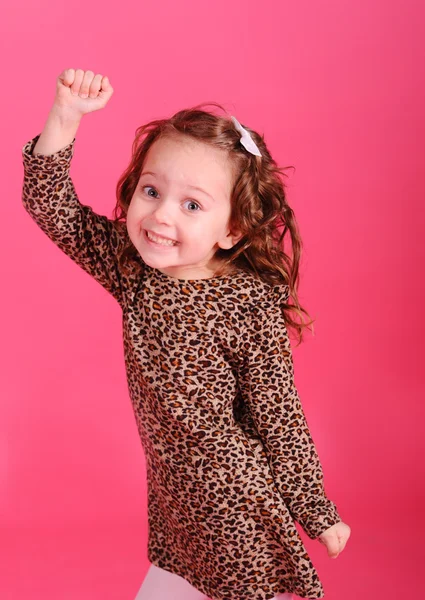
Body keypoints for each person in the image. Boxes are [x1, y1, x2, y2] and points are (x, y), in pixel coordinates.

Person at [21, 68, 351, 600]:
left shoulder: (246, 305)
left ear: (233, 229)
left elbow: (279, 415)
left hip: (235, 510)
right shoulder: (134, 270)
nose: (160, 215)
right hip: (178, 509)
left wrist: (316, 512)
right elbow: (51, 208)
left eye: (191, 204)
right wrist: (65, 118)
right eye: (151, 190)